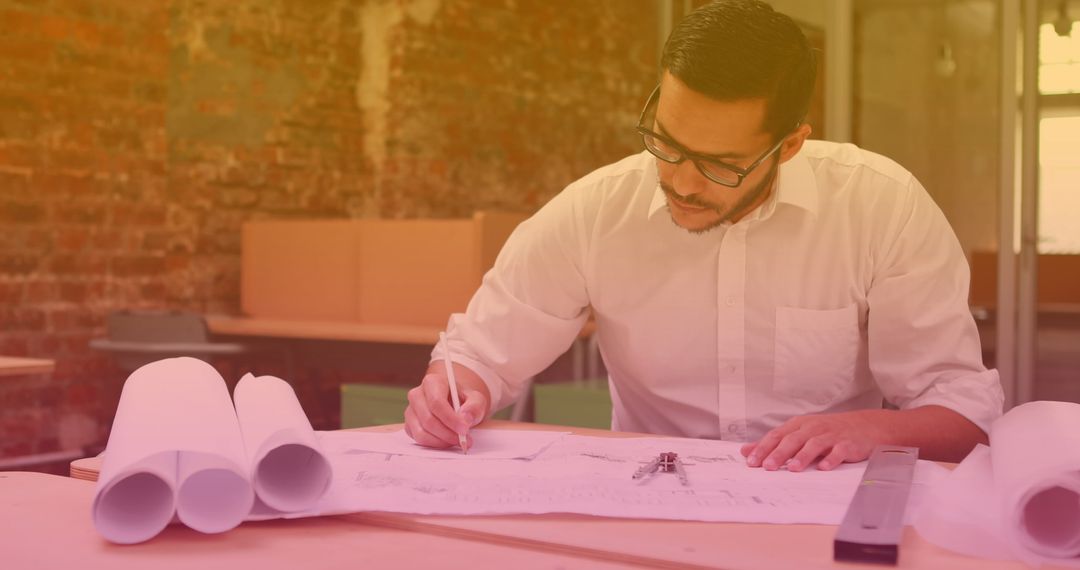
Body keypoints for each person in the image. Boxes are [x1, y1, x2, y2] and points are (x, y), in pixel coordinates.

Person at [403, 0, 1003, 471]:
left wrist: (873, 431)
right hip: (646, 500)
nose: (679, 180)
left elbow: (961, 408)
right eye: (666, 141)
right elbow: (478, 354)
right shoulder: (594, 212)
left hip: (818, 502)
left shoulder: (881, 208)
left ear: (789, 145)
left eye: (719, 163)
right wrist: (451, 396)